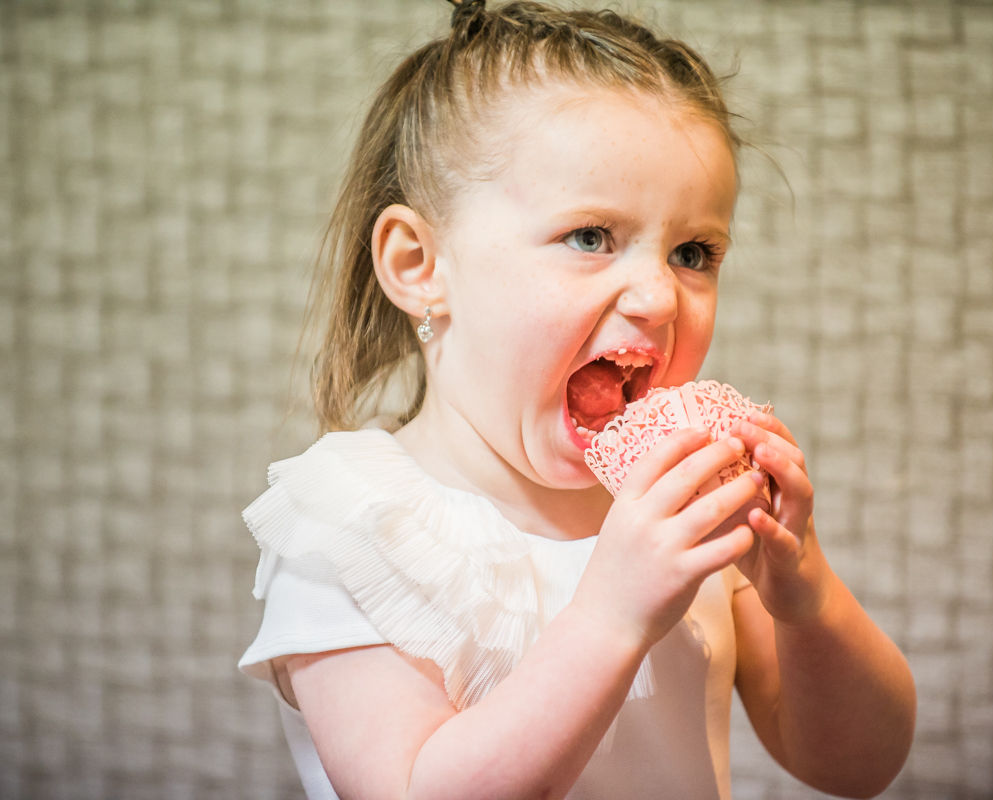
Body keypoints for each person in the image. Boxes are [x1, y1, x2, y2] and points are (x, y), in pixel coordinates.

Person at [239, 2, 917, 798]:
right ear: (421, 264)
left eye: (693, 252)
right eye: (591, 237)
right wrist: (610, 618)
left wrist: (806, 598)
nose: (660, 296)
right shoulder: (351, 523)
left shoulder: (684, 500)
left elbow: (856, 766)